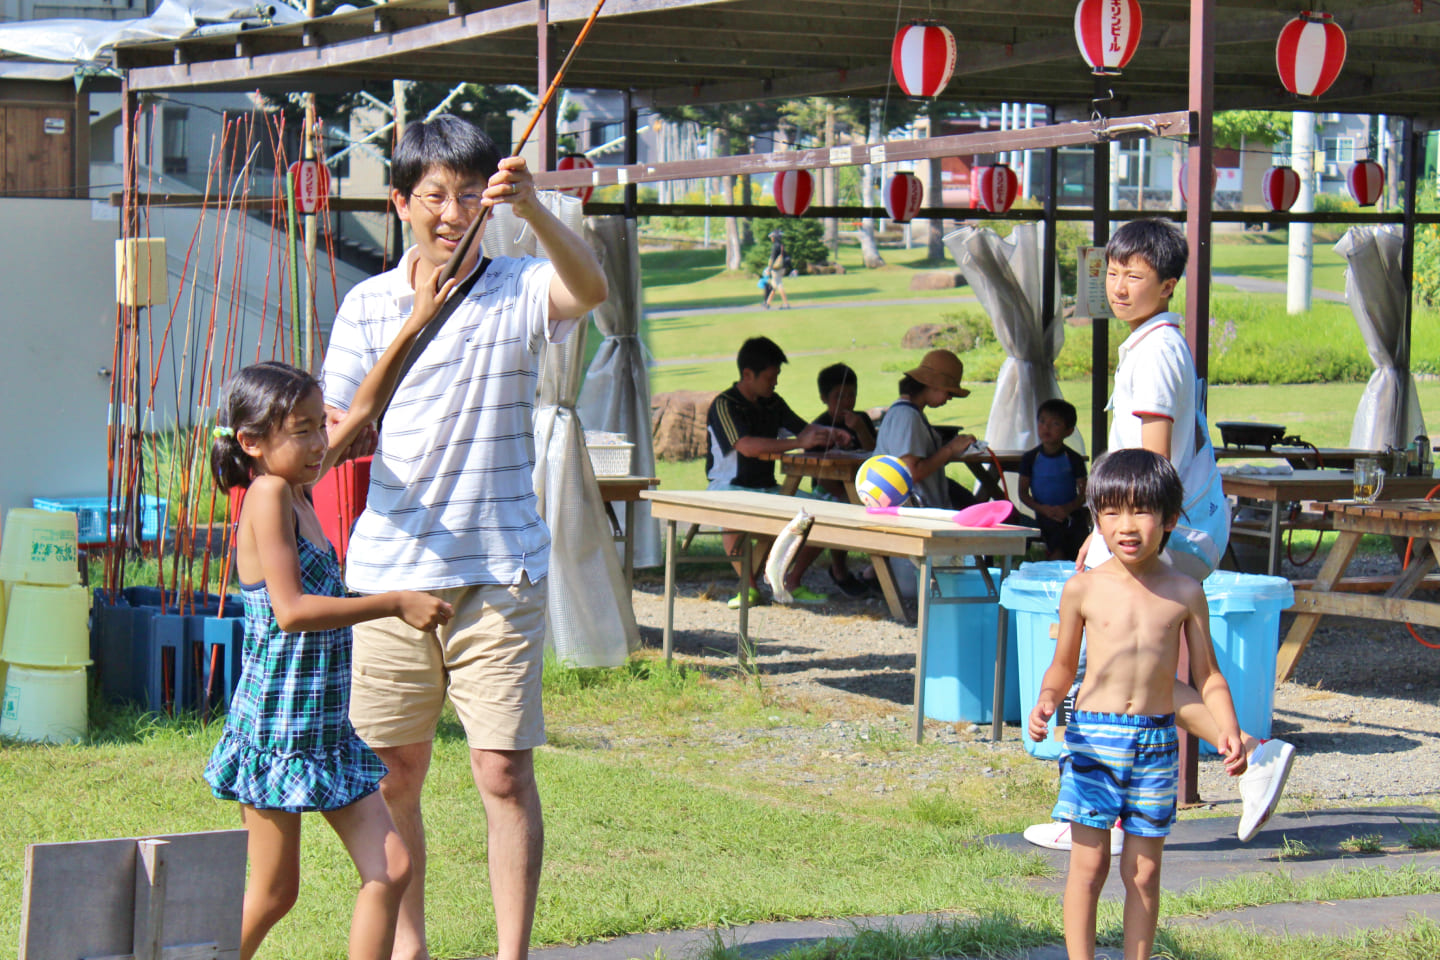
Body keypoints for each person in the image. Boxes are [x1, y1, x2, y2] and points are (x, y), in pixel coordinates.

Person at [320, 114, 608, 960]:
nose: (452, 212)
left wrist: (541, 208)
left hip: (500, 569)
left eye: (471, 194)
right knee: (392, 776)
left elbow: (590, 292)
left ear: (493, 199)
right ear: (401, 202)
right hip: (388, 577)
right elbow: (334, 437)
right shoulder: (367, 304)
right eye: (434, 196)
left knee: (503, 773)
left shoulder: (522, 283)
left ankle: (510, 956)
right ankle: (408, 948)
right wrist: (413, 319)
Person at [1023, 218, 1294, 853]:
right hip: (1171, 527)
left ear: (1167, 285)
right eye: (1112, 274)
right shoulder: (1153, 344)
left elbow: (1151, 467)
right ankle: (1248, 757)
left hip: (1161, 530)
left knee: (1108, 667)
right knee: (1134, 675)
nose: (1119, 287)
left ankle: (1097, 816)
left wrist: (1116, 539)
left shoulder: (1155, 354)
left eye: (1135, 277)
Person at [206, 355, 456, 959]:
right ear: (252, 442)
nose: (322, 441)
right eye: (306, 429)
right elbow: (290, 610)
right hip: (278, 726)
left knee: (391, 870)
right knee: (272, 894)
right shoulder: (267, 495)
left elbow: (363, 409)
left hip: (324, 728)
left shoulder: (295, 489)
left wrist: (415, 320)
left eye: (324, 425)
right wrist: (393, 602)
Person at [1028, 448, 1246, 960]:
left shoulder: (1185, 592)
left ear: (1170, 518)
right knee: (1089, 866)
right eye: (1112, 511)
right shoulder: (1082, 589)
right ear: (1096, 519)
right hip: (1094, 740)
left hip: (1155, 742)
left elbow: (1207, 674)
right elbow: (1063, 667)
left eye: (1142, 511)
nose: (1127, 526)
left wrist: (1229, 727)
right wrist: (1045, 701)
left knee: (1144, 872)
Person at [706, 336, 848, 608]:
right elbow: (746, 446)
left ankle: (791, 583)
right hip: (728, 487)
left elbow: (804, 430)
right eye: (771, 377)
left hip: (768, 488)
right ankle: (748, 588)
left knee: (824, 513)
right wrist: (799, 444)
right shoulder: (725, 404)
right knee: (731, 514)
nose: (775, 383)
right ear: (748, 375)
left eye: (777, 377)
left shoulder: (774, 402)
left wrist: (829, 433)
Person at [873, 349, 981, 510]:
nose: (950, 398)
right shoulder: (907, 416)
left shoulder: (907, 412)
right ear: (933, 386)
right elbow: (911, 473)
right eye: (949, 392)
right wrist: (950, 450)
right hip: (915, 511)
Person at [807, 362, 875, 597]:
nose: (847, 402)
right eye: (839, 397)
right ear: (824, 398)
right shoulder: (820, 427)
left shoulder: (861, 419)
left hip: (862, 485)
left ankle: (878, 571)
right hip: (829, 488)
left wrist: (861, 429)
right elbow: (817, 470)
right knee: (841, 510)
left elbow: (875, 452)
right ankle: (839, 568)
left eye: (851, 395)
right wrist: (843, 493)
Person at [1018, 398, 1090, 562]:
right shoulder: (1030, 458)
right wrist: (1043, 509)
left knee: (1078, 535)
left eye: (1055, 423)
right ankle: (1055, 569)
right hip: (1044, 514)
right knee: (1055, 539)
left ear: (1069, 431)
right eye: (1042, 422)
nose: (1046, 427)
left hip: (1071, 512)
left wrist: (1067, 508)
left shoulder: (1073, 458)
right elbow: (1023, 493)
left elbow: (1084, 492)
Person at [764, 230, 791, 309]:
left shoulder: (775, 246)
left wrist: (769, 269)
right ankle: (767, 303)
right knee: (774, 285)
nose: (771, 238)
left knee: (779, 285)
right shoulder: (781, 246)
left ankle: (786, 304)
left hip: (776, 269)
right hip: (781, 268)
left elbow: (772, 258)